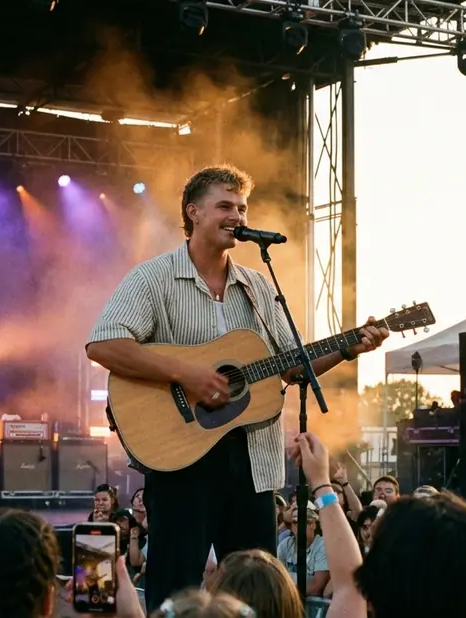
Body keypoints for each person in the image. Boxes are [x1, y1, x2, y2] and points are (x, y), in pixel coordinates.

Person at [86, 164, 388, 611]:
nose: (238, 216)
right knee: (175, 584)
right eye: (225, 205)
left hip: (252, 460)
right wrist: (186, 374)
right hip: (178, 457)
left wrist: (350, 347)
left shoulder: (259, 288)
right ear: (193, 212)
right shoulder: (153, 278)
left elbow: (294, 366)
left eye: (243, 208)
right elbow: (104, 344)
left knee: (254, 585)